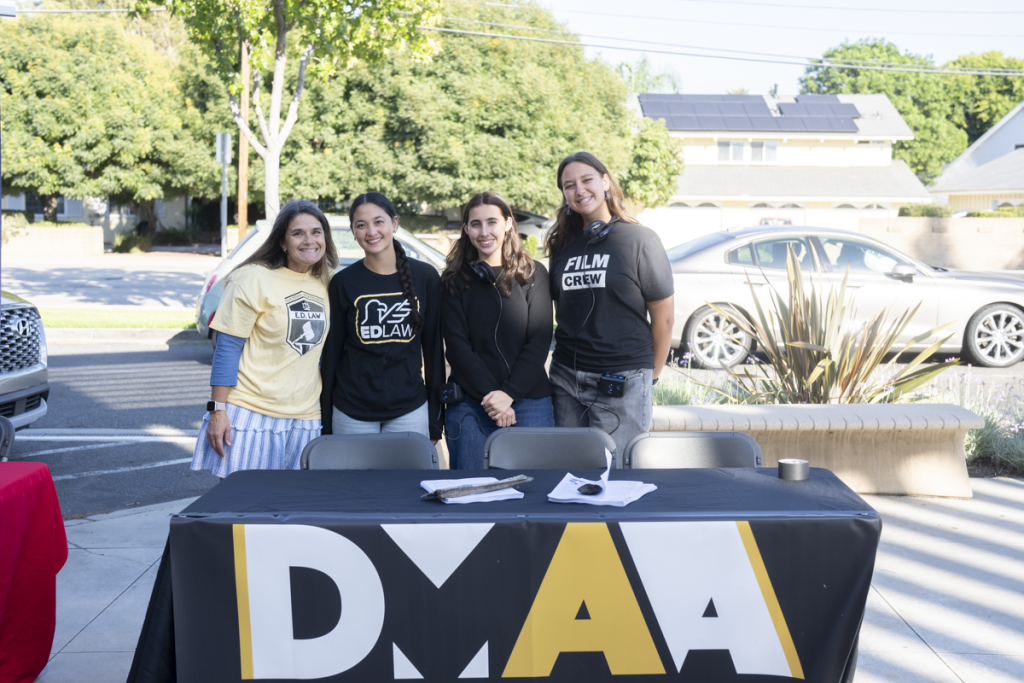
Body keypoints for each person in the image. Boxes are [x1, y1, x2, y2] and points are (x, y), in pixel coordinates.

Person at [191, 200, 339, 478]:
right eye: (298, 233)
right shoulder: (253, 278)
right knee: (243, 500)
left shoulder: (328, 281)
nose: (309, 240)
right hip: (251, 412)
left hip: (306, 417)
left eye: (316, 232)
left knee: (295, 500)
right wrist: (217, 411)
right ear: (282, 241)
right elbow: (227, 349)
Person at [546, 151, 675, 456]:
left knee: (617, 473)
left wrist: (650, 377)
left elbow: (664, 319)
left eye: (587, 180)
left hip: (621, 380)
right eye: (569, 185)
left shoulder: (640, 240)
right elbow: (561, 309)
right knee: (569, 468)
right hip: (566, 379)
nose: (579, 190)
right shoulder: (562, 244)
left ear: (605, 182)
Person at [441, 191, 554, 469]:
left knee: (535, 492)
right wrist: (494, 398)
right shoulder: (453, 281)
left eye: (492, 222)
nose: (484, 232)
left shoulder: (534, 274)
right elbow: (457, 348)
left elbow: (539, 340)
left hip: (530, 402)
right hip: (470, 404)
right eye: (475, 224)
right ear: (466, 229)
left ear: (508, 223)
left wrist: (509, 394)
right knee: (470, 490)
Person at [320, 192, 444, 442]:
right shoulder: (343, 283)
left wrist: (435, 420)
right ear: (353, 232)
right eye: (361, 225)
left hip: (410, 411)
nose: (371, 231)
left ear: (394, 223)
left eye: (379, 222)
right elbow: (331, 355)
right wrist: (327, 420)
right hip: (351, 412)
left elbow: (433, 352)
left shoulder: (426, 277)